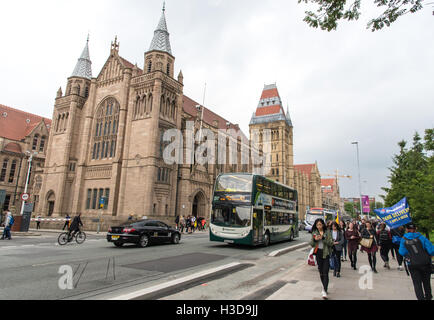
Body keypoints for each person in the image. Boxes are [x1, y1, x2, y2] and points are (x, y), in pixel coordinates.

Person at [399, 223, 434, 300]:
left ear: (407, 229)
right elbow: (431, 250)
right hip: (425, 263)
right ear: (416, 228)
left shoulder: (403, 239)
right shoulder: (422, 237)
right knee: (426, 282)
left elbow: (401, 252)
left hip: (412, 264)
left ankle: (420, 298)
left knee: (417, 283)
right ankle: (428, 297)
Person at [310, 218, 334, 299]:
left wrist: (323, 238)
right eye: (317, 225)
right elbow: (311, 244)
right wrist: (314, 239)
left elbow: (331, 243)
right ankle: (324, 287)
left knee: (325, 272)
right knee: (321, 272)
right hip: (318, 254)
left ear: (323, 224)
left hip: (326, 253)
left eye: (320, 224)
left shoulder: (327, 232)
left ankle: (324, 290)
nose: (318, 226)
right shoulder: (314, 232)